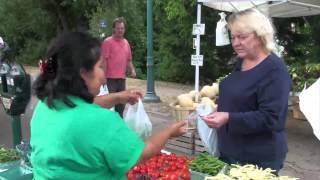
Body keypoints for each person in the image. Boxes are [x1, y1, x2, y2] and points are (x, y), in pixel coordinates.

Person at [30, 31, 187, 180]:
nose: (104, 77)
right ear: (82, 73)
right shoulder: (101, 122)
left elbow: (80, 111)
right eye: (100, 66)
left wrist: (118, 97)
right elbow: (143, 153)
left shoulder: (44, 108)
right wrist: (168, 132)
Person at [202, 8, 291, 174]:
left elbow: (272, 118)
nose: (235, 43)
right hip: (230, 153)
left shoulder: (274, 70)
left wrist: (228, 117)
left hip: (256, 160)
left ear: (260, 36)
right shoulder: (242, 62)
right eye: (233, 37)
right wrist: (217, 109)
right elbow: (243, 97)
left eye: (242, 37)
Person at [101, 17, 136, 117]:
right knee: (110, 106)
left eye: (122, 28)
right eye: (118, 28)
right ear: (114, 29)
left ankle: (119, 126)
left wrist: (132, 69)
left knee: (121, 106)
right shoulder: (108, 42)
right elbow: (104, 61)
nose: (120, 30)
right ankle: (108, 128)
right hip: (110, 80)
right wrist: (103, 77)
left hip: (121, 80)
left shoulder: (126, 43)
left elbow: (129, 60)